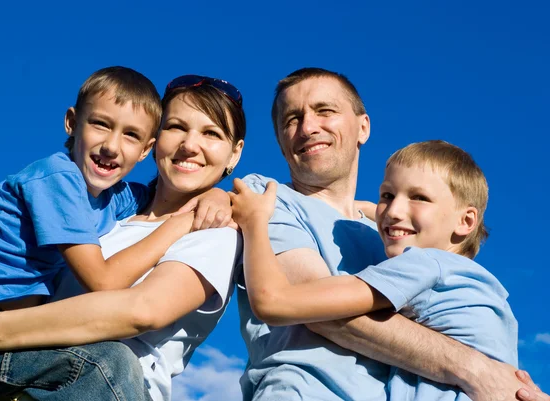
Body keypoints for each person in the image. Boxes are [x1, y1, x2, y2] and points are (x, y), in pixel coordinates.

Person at [233, 67, 546, 401]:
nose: (308, 127)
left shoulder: (396, 239)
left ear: (362, 127)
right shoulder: (265, 199)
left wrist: (513, 388)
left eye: (325, 111)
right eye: (292, 119)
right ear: (281, 142)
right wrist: (476, 369)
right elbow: (316, 310)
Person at [0, 74, 245, 401]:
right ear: (155, 142)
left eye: (211, 133)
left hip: (103, 381)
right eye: (176, 127)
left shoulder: (214, 231)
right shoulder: (113, 202)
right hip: (15, 357)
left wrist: (219, 200)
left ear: (234, 154)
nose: (190, 145)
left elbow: (142, 311)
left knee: (113, 360)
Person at [0, 66, 228, 314]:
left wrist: (218, 196)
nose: (111, 145)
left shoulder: (116, 197)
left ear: (146, 149)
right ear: (71, 122)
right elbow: (103, 281)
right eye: (101, 124)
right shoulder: (56, 179)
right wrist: (184, 224)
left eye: (131, 135)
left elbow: (164, 200)